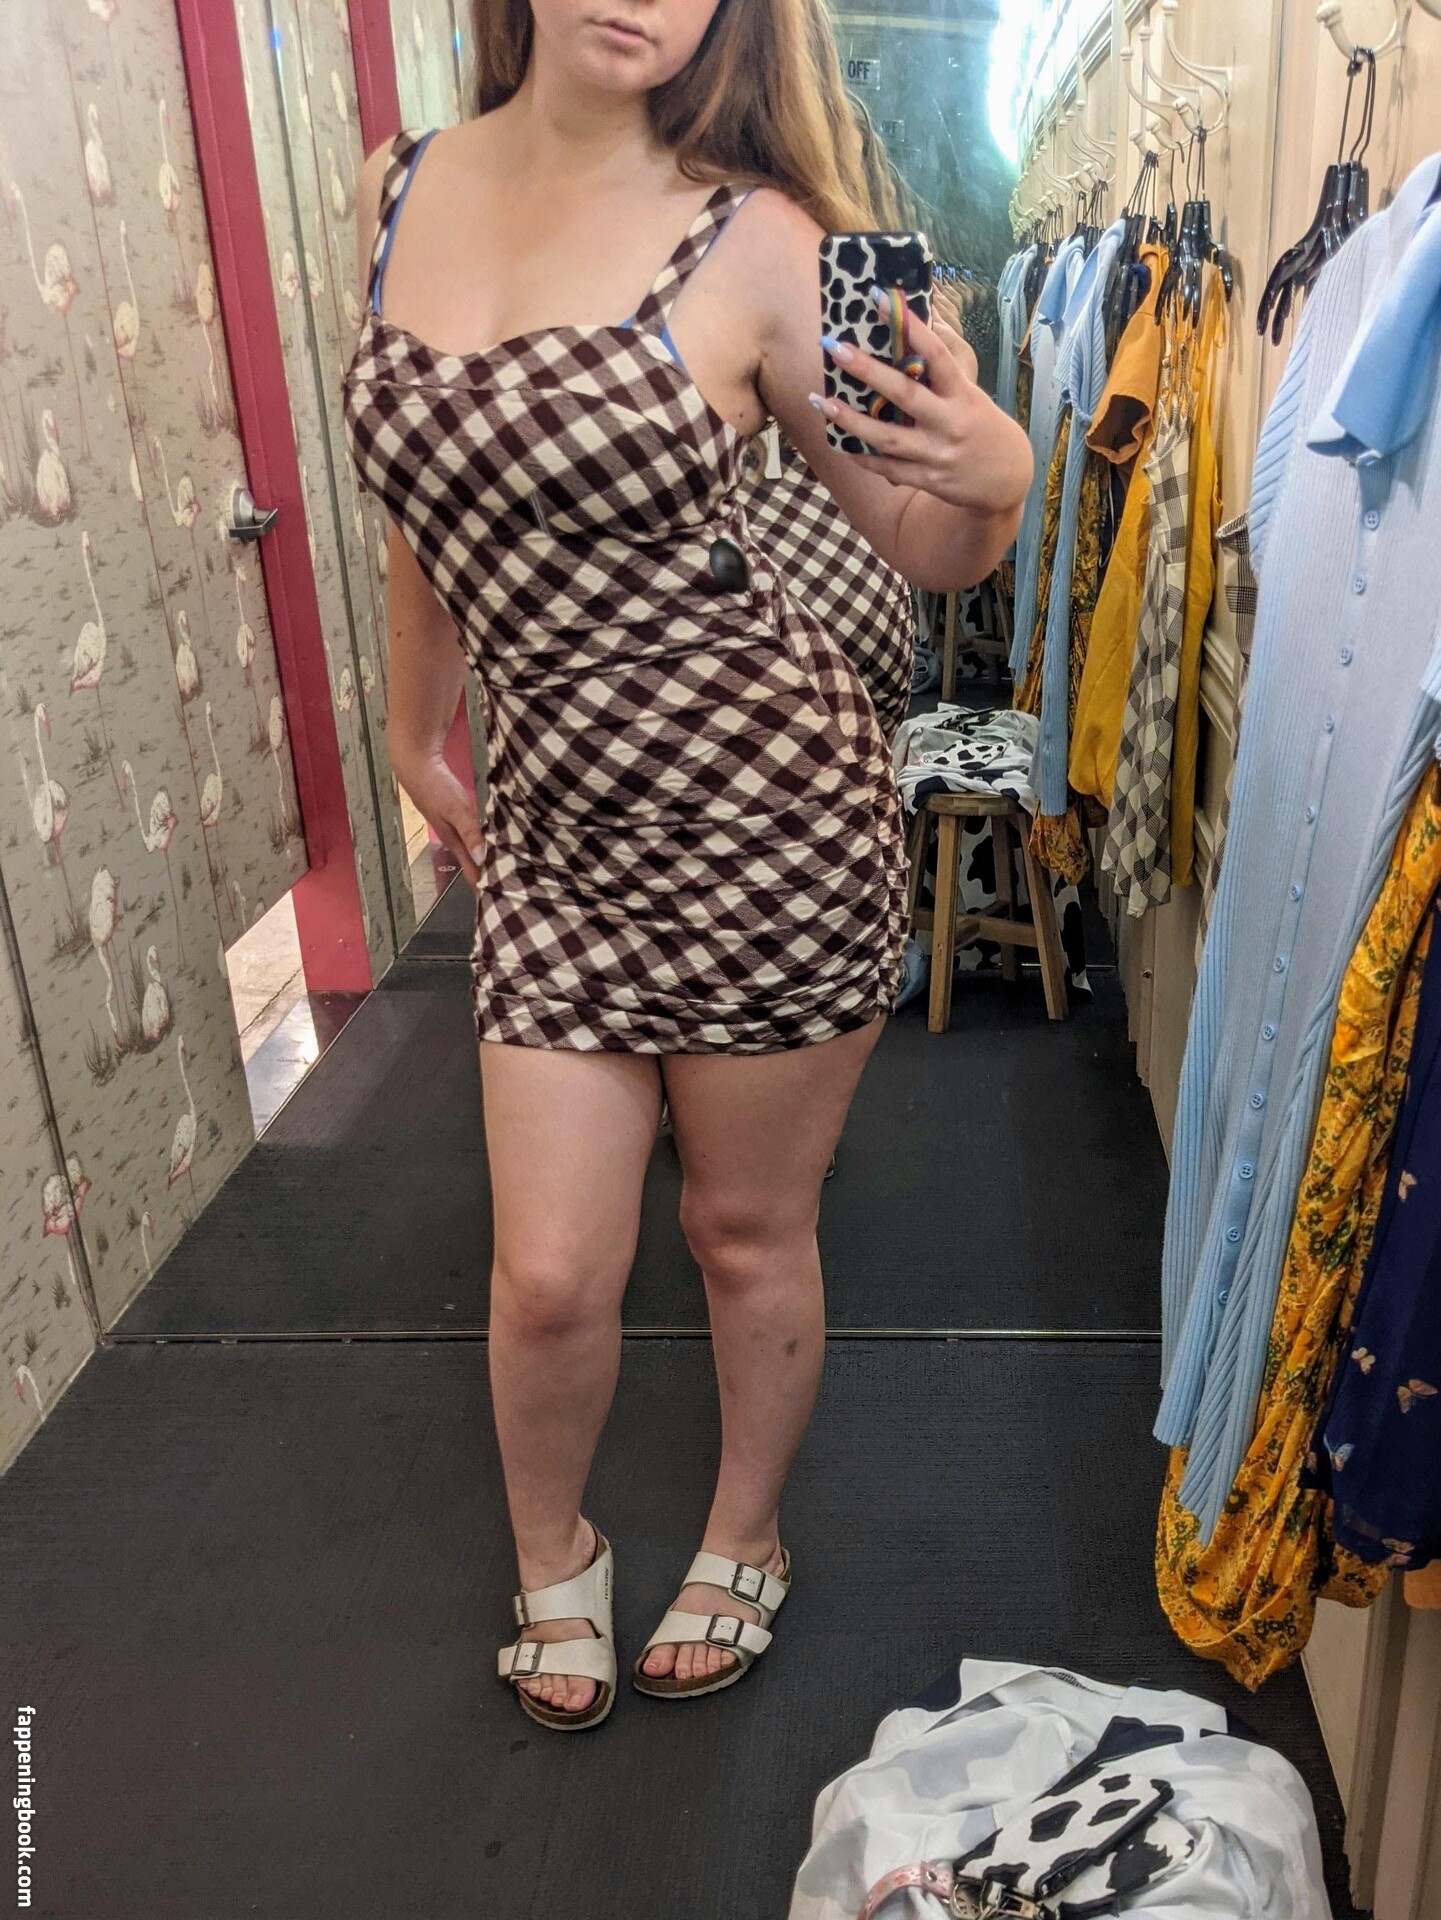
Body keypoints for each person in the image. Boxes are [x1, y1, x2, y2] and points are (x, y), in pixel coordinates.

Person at [343, 0, 1031, 1732]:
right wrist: (414, 726)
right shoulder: (399, 185)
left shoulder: (774, 242)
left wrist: (998, 483)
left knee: (741, 1229)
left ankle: (743, 1535)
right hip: (555, 839)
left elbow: (920, 537)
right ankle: (552, 1553)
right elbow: (433, 502)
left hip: (769, 820)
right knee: (549, 1274)